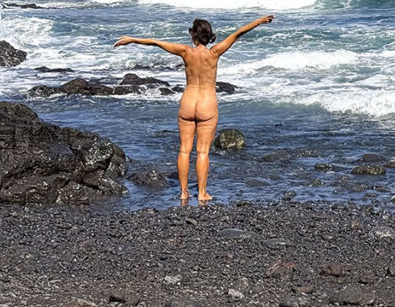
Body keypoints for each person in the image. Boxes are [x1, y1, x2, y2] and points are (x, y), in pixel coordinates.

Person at [113, 14, 275, 202]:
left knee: (184, 150)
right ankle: (202, 193)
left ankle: (183, 192)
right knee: (203, 152)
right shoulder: (214, 53)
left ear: (194, 36)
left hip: (188, 103)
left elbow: (156, 42)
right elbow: (238, 33)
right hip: (207, 104)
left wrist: (132, 39)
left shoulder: (185, 52)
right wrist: (259, 21)